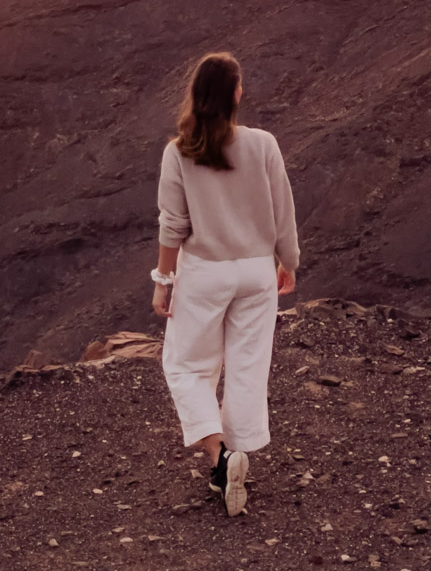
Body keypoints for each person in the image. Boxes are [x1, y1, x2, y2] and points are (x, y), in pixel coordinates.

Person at [151, 51, 299, 516]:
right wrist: (288, 261)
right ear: (236, 94)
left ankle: (221, 457)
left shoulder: (179, 152)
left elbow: (172, 225)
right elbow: (283, 210)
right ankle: (235, 456)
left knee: (186, 366)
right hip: (256, 271)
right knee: (247, 367)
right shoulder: (264, 144)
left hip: (205, 272)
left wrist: (163, 281)